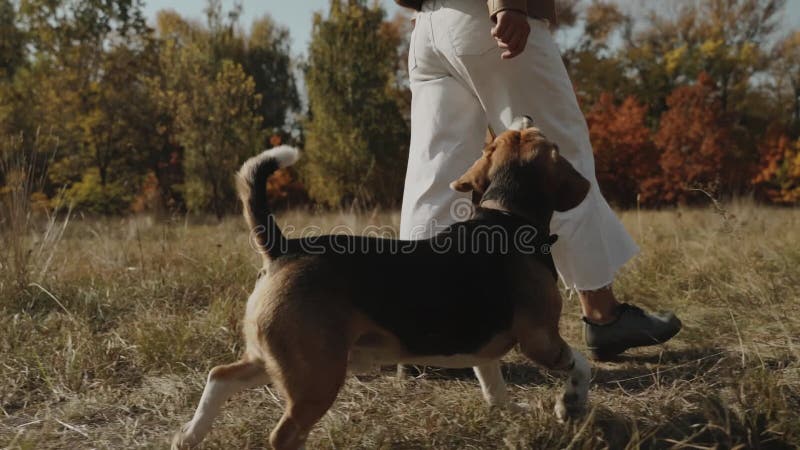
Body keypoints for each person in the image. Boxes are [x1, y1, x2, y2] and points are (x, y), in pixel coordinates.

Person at [395, 0, 681, 359]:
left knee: (437, 173)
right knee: (554, 159)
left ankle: (421, 334)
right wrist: (509, 4)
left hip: (429, 27)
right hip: (485, 17)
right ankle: (604, 315)